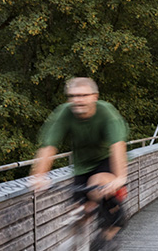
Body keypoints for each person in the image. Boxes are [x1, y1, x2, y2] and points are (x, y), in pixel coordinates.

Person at [30, 77, 128, 239]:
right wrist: (39, 176)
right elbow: (48, 146)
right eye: (73, 96)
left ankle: (111, 229)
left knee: (96, 186)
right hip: (82, 166)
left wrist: (119, 178)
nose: (78, 100)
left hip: (107, 160)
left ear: (95, 97)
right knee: (77, 212)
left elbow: (117, 146)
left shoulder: (107, 113)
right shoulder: (64, 113)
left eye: (83, 95)